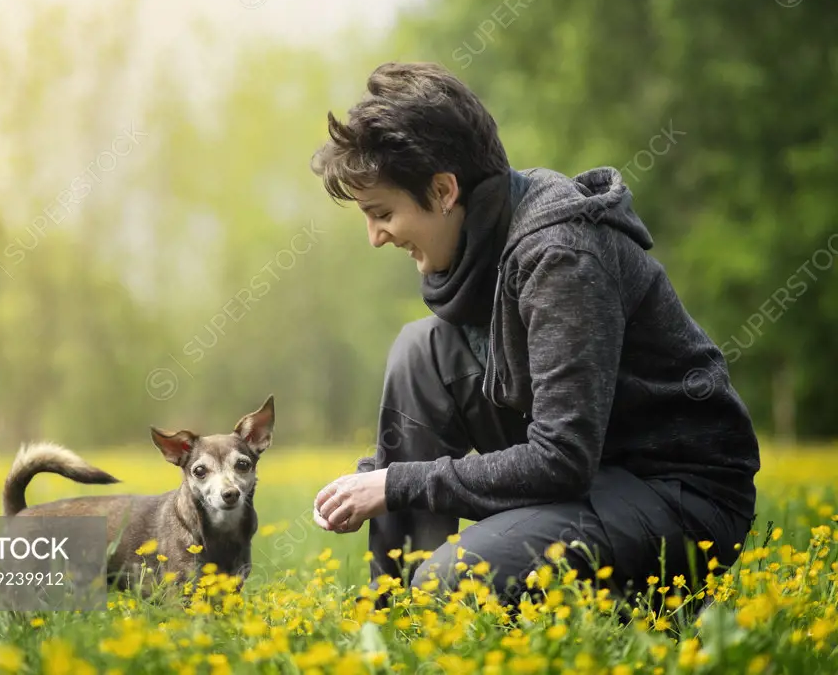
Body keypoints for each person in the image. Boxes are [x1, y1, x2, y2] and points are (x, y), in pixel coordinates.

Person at [307, 61, 760, 606]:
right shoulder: (489, 240)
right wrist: (373, 479)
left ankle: (650, 607)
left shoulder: (562, 255)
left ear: (445, 190)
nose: (375, 237)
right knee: (421, 348)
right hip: (595, 475)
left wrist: (397, 483)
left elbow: (561, 459)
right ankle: (395, 614)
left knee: (452, 582)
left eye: (382, 213)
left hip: (675, 494)